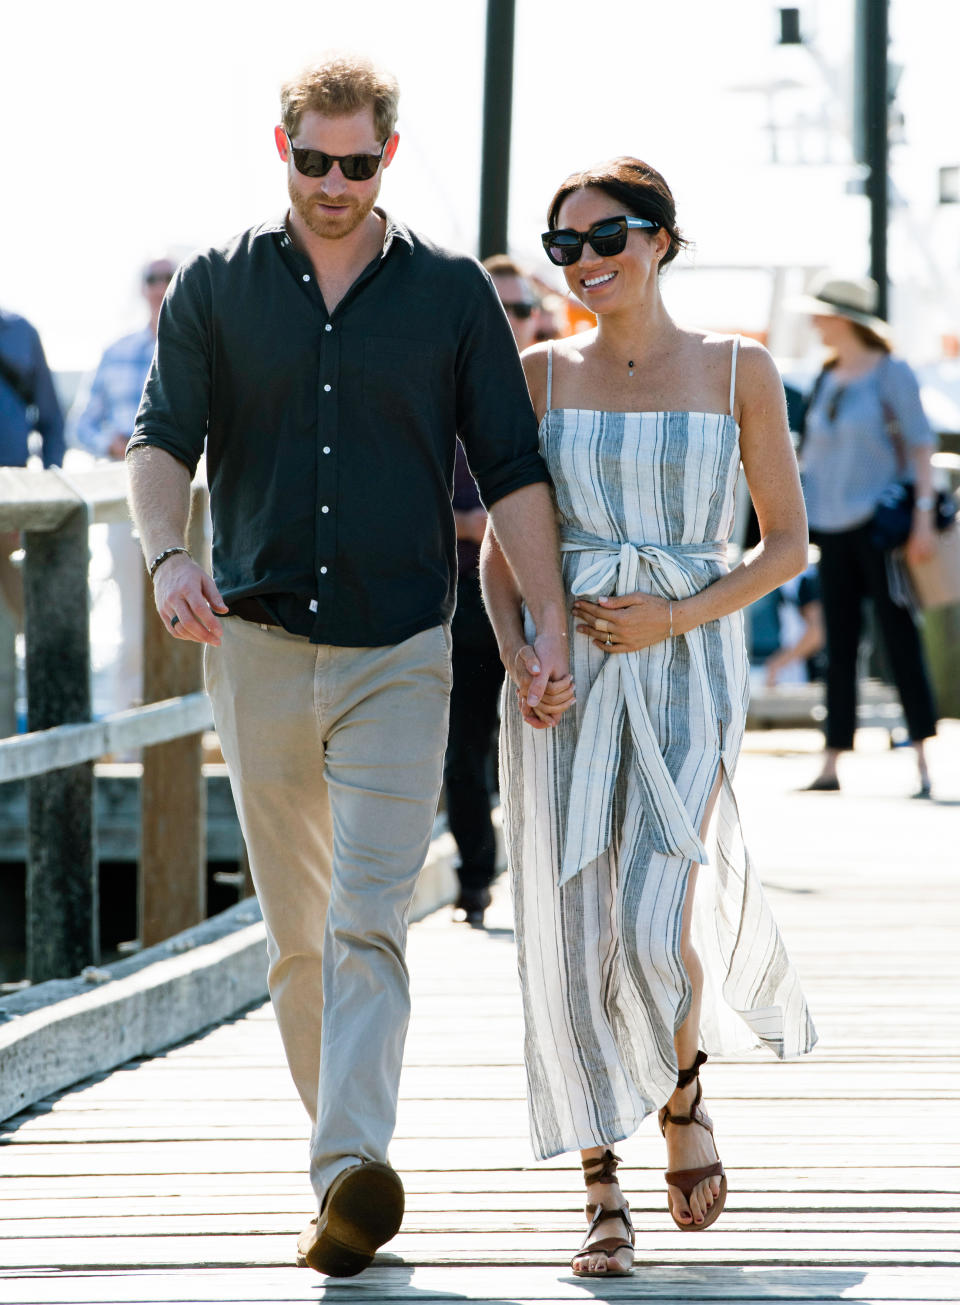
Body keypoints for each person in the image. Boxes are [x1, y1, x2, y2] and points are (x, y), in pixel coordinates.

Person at [125, 54, 569, 1279]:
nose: (334, 182)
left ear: (388, 157)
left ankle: (348, 1169)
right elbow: (162, 440)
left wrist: (548, 623)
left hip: (400, 648)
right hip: (257, 647)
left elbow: (513, 464)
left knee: (371, 916)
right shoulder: (217, 286)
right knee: (298, 933)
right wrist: (168, 556)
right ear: (285, 153)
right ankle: (345, 1166)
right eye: (313, 161)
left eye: (357, 163)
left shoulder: (446, 295)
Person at [481, 158, 817, 1277]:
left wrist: (676, 618)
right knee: (573, 926)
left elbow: (785, 548)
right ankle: (598, 1187)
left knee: (651, 910)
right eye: (564, 244)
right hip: (566, 676)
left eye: (609, 234)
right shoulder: (537, 375)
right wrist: (527, 650)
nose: (587, 260)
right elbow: (497, 555)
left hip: (690, 672)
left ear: (664, 239)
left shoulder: (739, 370)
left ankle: (680, 1098)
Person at [794, 274, 938, 797]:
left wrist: (922, 519)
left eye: (821, 313)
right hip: (831, 529)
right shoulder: (827, 376)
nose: (813, 322)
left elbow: (921, 448)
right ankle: (832, 760)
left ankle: (924, 759)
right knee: (839, 645)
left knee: (899, 639)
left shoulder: (890, 373)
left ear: (846, 319)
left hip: (881, 530)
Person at [445, 255, 538, 927]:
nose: (512, 320)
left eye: (523, 308)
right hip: (462, 594)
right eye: (499, 307)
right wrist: (472, 523)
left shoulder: (564, 384)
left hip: (552, 598)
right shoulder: (445, 388)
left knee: (543, 747)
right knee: (465, 747)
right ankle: (475, 881)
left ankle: (541, 883)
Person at [69, 257, 177, 713]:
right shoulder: (115, 352)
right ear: (142, 289)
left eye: (169, 278)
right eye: (153, 279)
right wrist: (112, 443)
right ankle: (127, 731)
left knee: (188, 609)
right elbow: (81, 426)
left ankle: (186, 722)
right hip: (122, 500)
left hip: (186, 498)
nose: (160, 287)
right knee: (131, 617)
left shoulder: (202, 346)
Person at [0, 306, 65, 733]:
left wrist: (47, 498)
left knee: (15, 622)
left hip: (13, 504)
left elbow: (52, 421)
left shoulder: (20, 332)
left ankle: (11, 741)